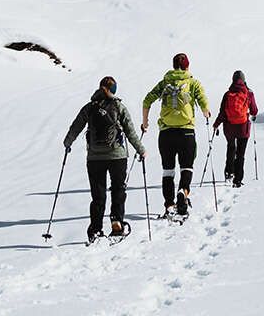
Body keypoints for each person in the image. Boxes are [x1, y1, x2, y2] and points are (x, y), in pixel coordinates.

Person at [64, 75, 146, 243]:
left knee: (98, 194)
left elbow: (76, 126)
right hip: (117, 156)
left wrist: (68, 142)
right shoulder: (119, 107)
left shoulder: (89, 107)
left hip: (94, 158)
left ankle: (95, 229)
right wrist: (141, 149)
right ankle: (116, 220)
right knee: (118, 189)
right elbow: (130, 131)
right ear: (114, 90)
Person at [142, 53, 210, 216]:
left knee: (168, 171)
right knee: (187, 167)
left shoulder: (165, 82)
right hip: (186, 132)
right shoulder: (193, 83)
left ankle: (169, 204)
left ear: (173, 66)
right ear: (187, 66)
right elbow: (204, 104)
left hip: (166, 133)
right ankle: (183, 192)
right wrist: (206, 113)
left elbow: (147, 101)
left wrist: (145, 123)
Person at [213, 70, 258, 187]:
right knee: (240, 153)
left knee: (231, 148)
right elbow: (254, 111)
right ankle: (237, 179)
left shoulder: (227, 94)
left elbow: (222, 112)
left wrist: (216, 124)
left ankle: (229, 172)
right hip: (243, 127)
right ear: (243, 80)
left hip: (229, 128)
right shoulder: (248, 93)